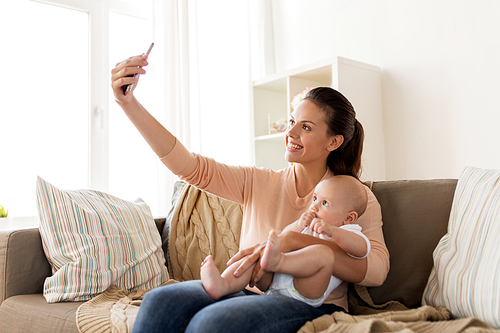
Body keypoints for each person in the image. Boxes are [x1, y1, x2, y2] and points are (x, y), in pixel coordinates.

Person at [111, 53, 389, 333]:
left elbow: (376, 270)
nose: (290, 132)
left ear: (334, 141)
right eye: (291, 121)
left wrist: (292, 241)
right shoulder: (258, 181)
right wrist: (128, 103)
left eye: (305, 127)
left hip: (312, 304)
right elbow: (189, 167)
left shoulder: (353, 196)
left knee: (212, 323)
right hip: (249, 291)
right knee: (160, 301)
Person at [200, 175, 370, 308]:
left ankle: (278, 262)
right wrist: (299, 224)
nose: (314, 207)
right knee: (258, 255)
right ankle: (223, 284)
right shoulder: (310, 223)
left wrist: (334, 232)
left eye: (325, 203)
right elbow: (286, 237)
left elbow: (362, 250)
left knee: (324, 254)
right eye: (315, 199)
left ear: (349, 218)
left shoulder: (349, 231)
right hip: (272, 282)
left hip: (305, 291)